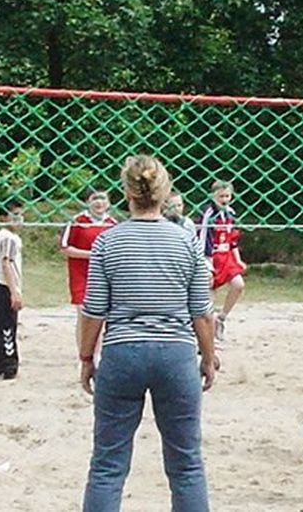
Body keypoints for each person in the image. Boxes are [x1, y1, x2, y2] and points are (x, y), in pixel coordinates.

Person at [79, 155, 216, 512]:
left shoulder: (108, 242)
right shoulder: (185, 242)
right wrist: (209, 358)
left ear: (126, 192)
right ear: (164, 192)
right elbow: (202, 312)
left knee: (107, 465)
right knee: (186, 464)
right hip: (176, 354)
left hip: (123, 352)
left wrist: (85, 357)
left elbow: (93, 311)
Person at [60, 189, 116, 347]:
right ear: (87, 202)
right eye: (95, 198)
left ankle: (99, 353)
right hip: (81, 276)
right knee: (84, 316)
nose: (99, 202)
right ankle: (84, 353)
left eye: (102, 198)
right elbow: (65, 248)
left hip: (104, 277)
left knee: (103, 317)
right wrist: (92, 255)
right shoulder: (78, 221)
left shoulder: (111, 223)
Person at [197, 180, 246, 343]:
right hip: (211, 258)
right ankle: (207, 336)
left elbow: (233, 240)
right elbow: (203, 239)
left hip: (227, 258)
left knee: (238, 285)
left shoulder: (231, 213)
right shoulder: (208, 213)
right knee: (209, 298)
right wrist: (207, 263)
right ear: (214, 196)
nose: (225, 199)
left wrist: (238, 260)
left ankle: (221, 319)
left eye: (227, 196)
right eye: (221, 196)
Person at [0, 200, 24, 380]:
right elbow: (6, 263)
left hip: (3, 286)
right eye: (14, 215)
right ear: (3, 217)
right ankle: (8, 365)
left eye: (20, 214)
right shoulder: (7, 237)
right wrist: (14, 291)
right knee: (6, 327)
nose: (19, 219)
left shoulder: (8, 236)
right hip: (4, 286)